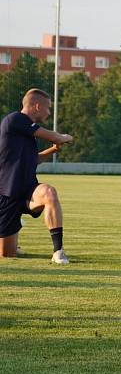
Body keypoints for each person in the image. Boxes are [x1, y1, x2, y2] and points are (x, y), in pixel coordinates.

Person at [0, 88, 74, 264]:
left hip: (28, 190)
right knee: (7, 255)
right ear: (37, 106)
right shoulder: (15, 119)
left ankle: (58, 251)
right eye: (48, 108)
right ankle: (13, 237)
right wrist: (63, 137)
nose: (49, 112)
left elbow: (35, 159)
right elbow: (53, 136)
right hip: (7, 194)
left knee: (49, 192)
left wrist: (54, 149)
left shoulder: (26, 131)